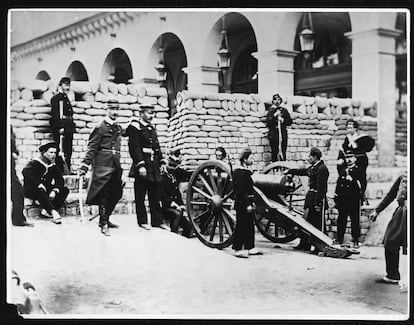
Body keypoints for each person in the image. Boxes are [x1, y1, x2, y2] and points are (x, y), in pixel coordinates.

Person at [79, 104, 124, 236]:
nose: (114, 112)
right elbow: (92, 147)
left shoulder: (118, 128)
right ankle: (104, 223)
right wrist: (84, 165)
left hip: (115, 165)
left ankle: (105, 218)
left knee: (117, 193)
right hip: (103, 166)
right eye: (112, 109)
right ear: (107, 110)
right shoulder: (100, 127)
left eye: (117, 109)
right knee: (104, 195)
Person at [126, 105, 170, 231]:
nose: (151, 116)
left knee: (155, 194)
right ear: (141, 113)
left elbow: (157, 147)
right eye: (149, 113)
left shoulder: (151, 128)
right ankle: (142, 221)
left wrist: (161, 161)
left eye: (152, 113)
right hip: (143, 166)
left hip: (154, 166)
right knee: (140, 195)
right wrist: (140, 165)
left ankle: (157, 221)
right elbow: (134, 148)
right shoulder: (135, 128)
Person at [286, 147, 329, 252]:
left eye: (310, 156)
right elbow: (303, 171)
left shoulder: (322, 169)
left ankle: (319, 247)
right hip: (310, 198)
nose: (308, 158)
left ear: (315, 157)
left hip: (316, 198)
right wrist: (290, 171)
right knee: (306, 222)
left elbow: (321, 188)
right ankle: (304, 244)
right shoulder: (314, 167)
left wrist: (317, 203)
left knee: (317, 224)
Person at [369, 171, 407, 284]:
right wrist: (377, 210)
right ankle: (392, 275)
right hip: (402, 212)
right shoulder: (403, 176)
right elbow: (391, 195)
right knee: (390, 241)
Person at [22, 141, 69, 225]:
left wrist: (55, 190)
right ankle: (53, 212)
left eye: (55, 153)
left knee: (65, 190)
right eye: (51, 152)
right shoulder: (34, 163)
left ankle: (46, 211)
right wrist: (38, 184)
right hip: (32, 189)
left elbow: (59, 180)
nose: (53, 155)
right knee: (40, 190)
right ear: (44, 153)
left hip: (45, 188)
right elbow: (26, 172)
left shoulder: (52, 165)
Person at [232, 148, 262, 258]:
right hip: (242, 203)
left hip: (248, 201)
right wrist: (247, 204)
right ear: (245, 159)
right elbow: (241, 191)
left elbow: (250, 189)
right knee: (241, 225)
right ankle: (237, 248)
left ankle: (250, 246)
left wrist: (252, 201)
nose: (252, 159)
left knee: (249, 225)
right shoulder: (240, 173)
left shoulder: (245, 171)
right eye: (251, 158)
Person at [160, 150, 194, 238]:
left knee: (189, 226)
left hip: (175, 206)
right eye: (170, 166)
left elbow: (177, 193)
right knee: (177, 214)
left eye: (174, 166)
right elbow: (162, 196)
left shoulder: (174, 177)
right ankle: (174, 237)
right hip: (165, 207)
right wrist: (174, 205)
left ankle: (183, 241)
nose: (172, 168)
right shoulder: (162, 178)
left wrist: (181, 205)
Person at [334, 152, 365, 248]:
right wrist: (336, 197)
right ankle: (339, 239)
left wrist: (353, 180)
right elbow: (339, 184)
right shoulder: (343, 170)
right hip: (343, 200)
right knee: (341, 220)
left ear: (355, 158)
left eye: (351, 157)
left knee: (355, 221)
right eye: (347, 157)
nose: (349, 159)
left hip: (354, 200)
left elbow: (363, 185)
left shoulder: (359, 170)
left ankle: (355, 240)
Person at [338, 119, 369, 201]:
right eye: (348, 128)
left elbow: (364, 149)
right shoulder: (347, 138)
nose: (349, 129)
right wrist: (341, 158)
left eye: (351, 128)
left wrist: (356, 146)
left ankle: (361, 194)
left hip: (360, 160)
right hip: (349, 160)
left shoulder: (360, 138)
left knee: (360, 176)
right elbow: (344, 150)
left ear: (355, 129)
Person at [50, 77, 75, 174]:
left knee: (68, 150)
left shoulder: (66, 98)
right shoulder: (56, 98)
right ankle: (59, 170)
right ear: (60, 85)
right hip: (61, 127)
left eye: (69, 85)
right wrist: (59, 127)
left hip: (68, 127)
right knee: (59, 149)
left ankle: (67, 169)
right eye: (66, 85)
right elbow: (55, 115)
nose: (68, 87)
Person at [11, 126, 34, 227]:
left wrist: (14, 152)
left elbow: (12, 143)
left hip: (10, 164)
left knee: (18, 191)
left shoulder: (9, 127)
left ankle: (18, 219)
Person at [266, 93, 292, 162]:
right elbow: (268, 122)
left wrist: (282, 120)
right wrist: (275, 115)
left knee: (283, 151)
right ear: (273, 101)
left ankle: (283, 167)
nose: (277, 101)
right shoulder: (270, 111)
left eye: (278, 100)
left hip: (282, 134)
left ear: (281, 101)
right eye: (275, 100)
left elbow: (289, 121)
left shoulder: (284, 110)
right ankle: (275, 168)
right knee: (274, 151)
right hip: (274, 134)